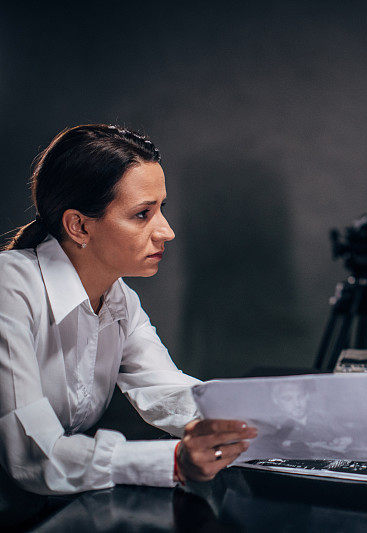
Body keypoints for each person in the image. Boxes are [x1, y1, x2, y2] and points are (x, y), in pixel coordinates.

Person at [0, 124, 257, 495]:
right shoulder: (10, 288)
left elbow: (168, 392)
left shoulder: (119, 298)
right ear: (79, 226)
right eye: (142, 214)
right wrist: (173, 462)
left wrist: (265, 421)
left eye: (160, 209)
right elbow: (33, 456)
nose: (165, 231)